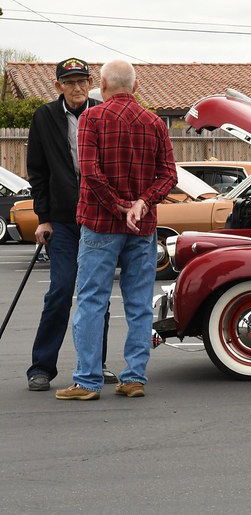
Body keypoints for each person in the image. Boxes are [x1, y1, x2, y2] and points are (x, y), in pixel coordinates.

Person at [55, 60, 177, 400]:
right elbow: (169, 175)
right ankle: (134, 377)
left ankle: (87, 381)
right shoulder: (155, 122)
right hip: (143, 227)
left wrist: (118, 206)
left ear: (103, 86)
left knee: (92, 301)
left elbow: (90, 173)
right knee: (139, 304)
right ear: (135, 86)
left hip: (100, 224)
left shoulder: (91, 118)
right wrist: (141, 203)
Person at [24, 58, 117, 392]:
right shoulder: (45, 117)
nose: (77, 88)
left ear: (90, 83)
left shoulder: (102, 113)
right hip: (62, 221)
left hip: (98, 219)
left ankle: (95, 364)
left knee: (98, 295)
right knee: (61, 291)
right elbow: (38, 171)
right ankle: (41, 367)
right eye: (70, 82)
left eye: (82, 81)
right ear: (58, 86)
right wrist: (43, 218)